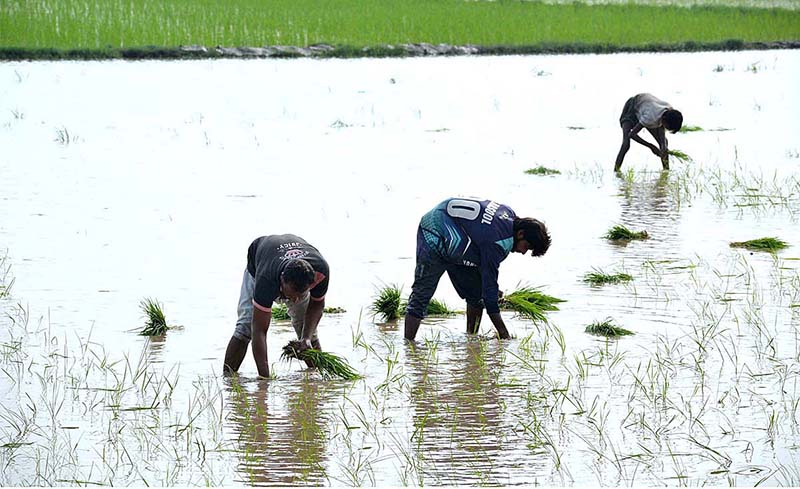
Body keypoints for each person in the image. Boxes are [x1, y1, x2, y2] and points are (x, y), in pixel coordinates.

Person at [404, 197, 551, 342]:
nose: (523, 252)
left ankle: (471, 340)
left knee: (476, 295)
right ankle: (408, 347)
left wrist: (489, 288)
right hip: (434, 231)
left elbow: (482, 247)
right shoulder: (497, 243)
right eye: (526, 246)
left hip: (457, 235)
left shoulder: (508, 214)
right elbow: (490, 300)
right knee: (422, 293)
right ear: (521, 234)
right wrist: (504, 334)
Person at [223, 234, 329, 378]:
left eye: (301, 294)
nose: (295, 300)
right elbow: (259, 331)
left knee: (307, 329)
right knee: (245, 326)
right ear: (281, 280)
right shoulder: (266, 281)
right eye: (291, 295)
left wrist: (306, 338)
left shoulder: (320, 270)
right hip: (259, 262)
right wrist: (265, 380)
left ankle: (319, 377)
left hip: (288, 264)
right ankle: (228, 379)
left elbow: (317, 305)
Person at [614, 93, 683, 172]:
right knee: (626, 144)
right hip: (632, 107)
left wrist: (663, 146)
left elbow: (661, 129)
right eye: (667, 127)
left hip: (646, 107)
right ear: (664, 120)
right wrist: (651, 146)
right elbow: (632, 134)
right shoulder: (650, 117)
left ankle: (666, 171)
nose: (666, 129)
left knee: (664, 144)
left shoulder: (669, 110)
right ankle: (616, 172)